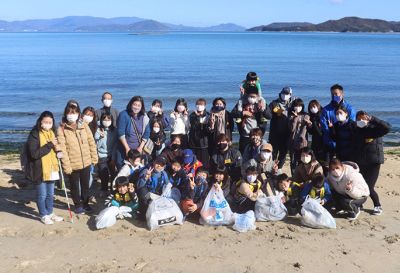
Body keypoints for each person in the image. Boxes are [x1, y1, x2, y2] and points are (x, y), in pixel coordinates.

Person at [57, 101, 98, 214]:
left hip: (86, 161)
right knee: (75, 186)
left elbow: (91, 142)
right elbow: (62, 148)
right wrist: (67, 165)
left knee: (86, 186)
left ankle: (85, 203)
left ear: (79, 114)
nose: (71, 115)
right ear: (65, 114)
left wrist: (94, 158)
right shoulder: (61, 129)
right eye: (69, 112)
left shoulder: (83, 125)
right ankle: (78, 205)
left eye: (74, 112)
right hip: (72, 164)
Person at [27, 111, 64, 224]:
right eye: (45, 122)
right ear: (40, 122)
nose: (48, 124)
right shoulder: (35, 134)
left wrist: (59, 151)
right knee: (42, 194)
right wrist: (50, 145)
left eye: (50, 122)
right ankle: (43, 214)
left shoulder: (52, 132)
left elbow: (56, 145)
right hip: (40, 169)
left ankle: (50, 212)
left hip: (52, 167)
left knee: (50, 194)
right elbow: (34, 154)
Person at [353, 111, 391, 215]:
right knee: (360, 185)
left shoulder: (375, 129)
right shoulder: (356, 130)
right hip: (360, 162)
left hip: (374, 162)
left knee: (369, 187)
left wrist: (373, 119)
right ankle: (359, 204)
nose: (361, 121)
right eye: (358, 119)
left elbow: (387, 127)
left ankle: (377, 205)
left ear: (367, 119)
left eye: (363, 119)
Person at [231, 85, 271, 153]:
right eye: (250, 96)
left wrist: (262, 110)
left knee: (257, 154)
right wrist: (243, 113)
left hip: (257, 135)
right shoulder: (242, 103)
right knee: (243, 153)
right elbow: (233, 114)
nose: (252, 98)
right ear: (247, 95)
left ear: (257, 96)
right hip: (245, 135)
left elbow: (269, 116)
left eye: (253, 96)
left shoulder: (261, 103)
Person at [320, 84, 356, 158]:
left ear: (342, 94)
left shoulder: (350, 109)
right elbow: (325, 129)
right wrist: (332, 144)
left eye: (336, 94)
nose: (334, 96)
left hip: (347, 146)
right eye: (332, 94)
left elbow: (352, 127)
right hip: (330, 145)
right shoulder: (325, 110)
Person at [116, 96, 150, 169]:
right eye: (134, 104)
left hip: (138, 148)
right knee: (121, 166)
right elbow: (120, 132)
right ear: (130, 104)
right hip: (124, 147)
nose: (136, 107)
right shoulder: (124, 114)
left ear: (141, 107)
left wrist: (140, 147)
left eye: (139, 105)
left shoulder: (144, 116)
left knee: (136, 168)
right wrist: (127, 148)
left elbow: (147, 132)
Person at [268, 87, 295, 172]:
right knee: (273, 153)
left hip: (287, 134)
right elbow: (276, 111)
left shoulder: (292, 105)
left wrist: (293, 106)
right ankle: (271, 169)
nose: (285, 95)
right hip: (275, 134)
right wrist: (285, 110)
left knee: (283, 154)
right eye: (283, 93)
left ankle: (279, 168)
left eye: (287, 94)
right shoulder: (274, 103)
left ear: (290, 95)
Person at [95, 112, 118, 196]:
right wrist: (101, 137)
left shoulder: (114, 130)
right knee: (103, 174)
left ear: (112, 120)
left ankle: (112, 189)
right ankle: (104, 189)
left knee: (113, 173)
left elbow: (116, 143)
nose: (106, 121)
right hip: (102, 155)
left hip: (111, 155)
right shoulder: (98, 130)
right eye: (104, 119)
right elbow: (97, 145)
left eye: (109, 119)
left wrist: (113, 156)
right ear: (101, 120)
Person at [288, 98, 311, 175]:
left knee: (303, 160)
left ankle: (303, 176)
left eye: (300, 106)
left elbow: (307, 127)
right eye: (296, 106)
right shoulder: (291, 116)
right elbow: (292, 129)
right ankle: (294, 176)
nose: (298, 107)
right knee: (293, 161)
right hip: (293, 141)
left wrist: (309, 124)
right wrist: (295, 118)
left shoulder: (306, 115)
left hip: (302, 142)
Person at [189, 98, 210, 168]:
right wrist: (197, 117)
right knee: (194, 162)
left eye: (201, 105)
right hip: (193, 143)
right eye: (197, 104)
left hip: (204, 143)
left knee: (204, 163)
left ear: (205, 106)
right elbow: (193, 127)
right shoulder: (192, 115)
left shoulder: (208, 115)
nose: (199, 106)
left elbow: (207, 130)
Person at [307, 100, 328, 168]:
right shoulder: (312, 116)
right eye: (310, 107)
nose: (312, 109)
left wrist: (314, 124)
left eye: (314, 106)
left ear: (318, 106)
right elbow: (311, 132)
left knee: (324, 163)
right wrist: (309, 126)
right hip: (315, 142)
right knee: (317, 162)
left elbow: (320, 133)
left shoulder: (322, 115)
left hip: (323, 143)